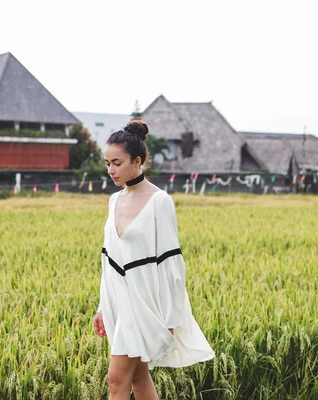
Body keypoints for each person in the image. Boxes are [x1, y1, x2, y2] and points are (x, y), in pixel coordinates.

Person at [93, 120, 215, 399]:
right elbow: (109, 257)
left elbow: (171, 264)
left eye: (117, 163)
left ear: (137, 161)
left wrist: (170, 318)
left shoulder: (160, 201)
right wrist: (102, 306)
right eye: (107, 163)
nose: (110, 170)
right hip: (117, 300)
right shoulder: (114, 200)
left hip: (145, 302)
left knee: (116, 380)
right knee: (137, 375)